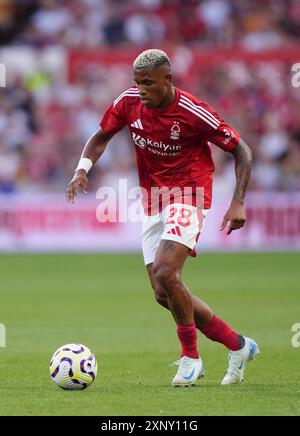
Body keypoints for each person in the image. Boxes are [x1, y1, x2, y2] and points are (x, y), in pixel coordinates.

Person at [66, 49, 260, 387]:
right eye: (137, 82)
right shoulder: (128, 103)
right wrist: (82, 170)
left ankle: (190, 358)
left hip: (189, 194)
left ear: (167, 80)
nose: (141, 89)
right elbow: (101, 137)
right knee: (162, 291)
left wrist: (238, 202)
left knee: (167, 271)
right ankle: (238, 345)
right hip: (153, 200)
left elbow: (241, 150)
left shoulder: (192, 111)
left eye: (148, 83)